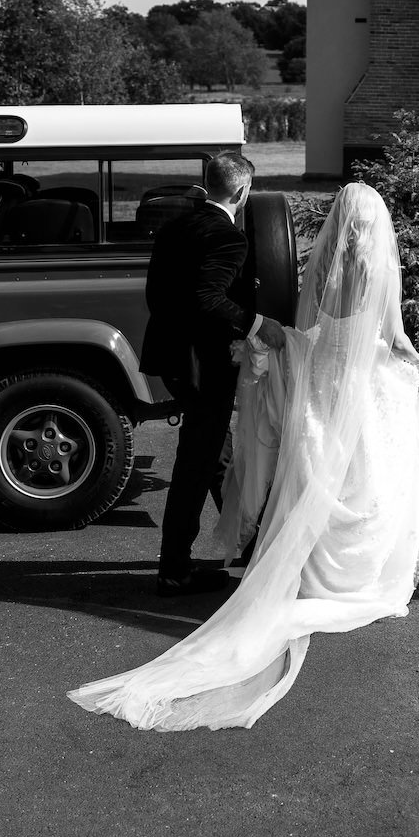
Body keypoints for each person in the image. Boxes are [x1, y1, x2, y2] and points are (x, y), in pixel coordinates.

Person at [68, 184, 419, 730]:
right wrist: (413, 360)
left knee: (320, 464)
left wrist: (282, 343)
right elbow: (392, 333)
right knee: (371, 464)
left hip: (318, 366)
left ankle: (242, 556)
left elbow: (308, 324)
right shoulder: (375, 266)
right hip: (330, 371)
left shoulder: (315, 263)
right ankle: (342, 569)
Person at [138, 151, 285, 598]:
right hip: (202, 364)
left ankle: (248, 543)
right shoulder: (228, 238)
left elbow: (157, 295)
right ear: (242, 191)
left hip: (175, 360)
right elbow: (206, 298)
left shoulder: (175, 226)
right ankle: (174, 570)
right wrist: (260, 325)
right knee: (195, 465)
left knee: (214, 453)